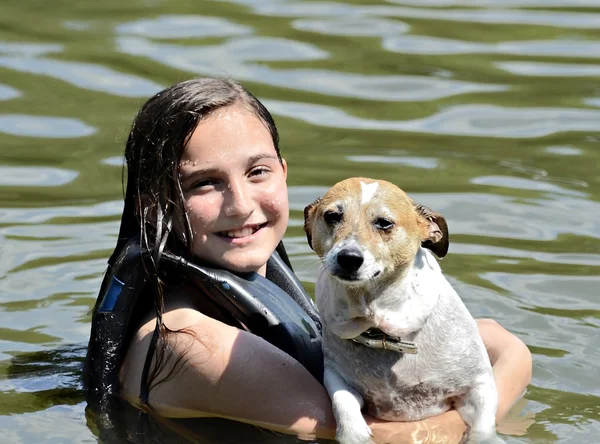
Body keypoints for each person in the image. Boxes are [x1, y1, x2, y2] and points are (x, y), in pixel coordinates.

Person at [84, 77, 532, 443]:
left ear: (283, 173)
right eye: (204, 183)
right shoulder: (192, 342)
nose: (240, 205)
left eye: (257, 171)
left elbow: (482, 336)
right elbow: (389, 439)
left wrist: (480, 347)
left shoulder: (250, 287)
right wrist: (495, 384)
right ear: (152, 206)